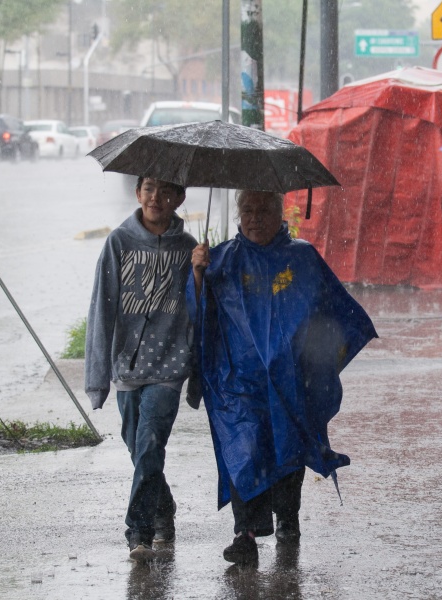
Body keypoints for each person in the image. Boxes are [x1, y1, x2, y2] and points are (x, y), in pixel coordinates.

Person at [189, 190, 377, 565]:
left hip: (292, 380)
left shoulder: (302, 258)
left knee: (287, 449)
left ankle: (287, 519)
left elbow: (330, 310)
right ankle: (245, 532)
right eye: (248, 210)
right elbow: (198, 314)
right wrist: (197, 273)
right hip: (238, 383)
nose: (255, 217)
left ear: (280, 213)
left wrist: (318, 359)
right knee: (244, 449)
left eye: (264, 209)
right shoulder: (222, 259)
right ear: (238, 214)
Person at [85, 176, 196, 562]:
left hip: (169, 366)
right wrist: (97, 379)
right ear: (138, 193)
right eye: (149, 188)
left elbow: (202, 313)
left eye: (167, 191)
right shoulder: (119, 242)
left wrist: (201, 272)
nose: (156, 197)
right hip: (127, 368)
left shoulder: (188, 249)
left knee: (150, 445)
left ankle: (140, 532)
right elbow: (101, 310)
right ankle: (164, 507)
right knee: (138, 449)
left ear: (180, 198)